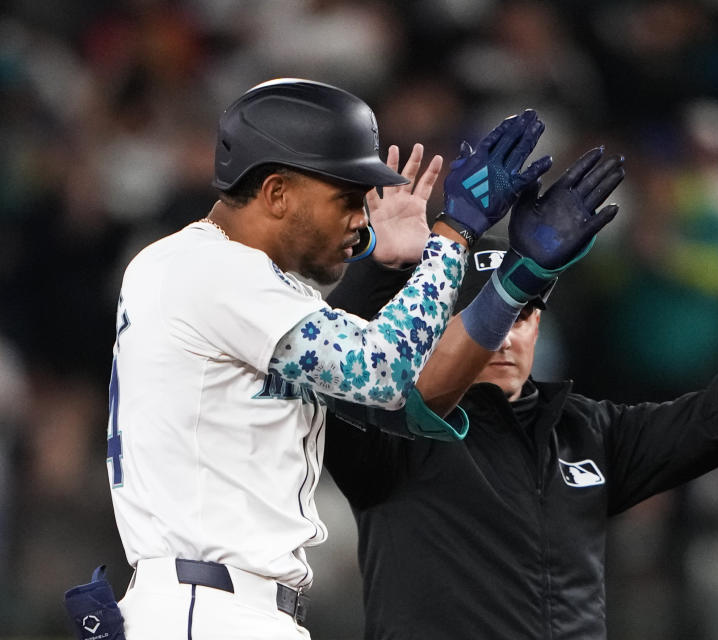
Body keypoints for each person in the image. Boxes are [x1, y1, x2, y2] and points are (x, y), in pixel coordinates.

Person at [91, 77, 625, 639]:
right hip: (207, 607)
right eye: (346, 198)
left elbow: (417, 401)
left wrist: (516, 282)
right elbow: (385, 372)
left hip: (219, 607)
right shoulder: (209, 270)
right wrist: (455, 232)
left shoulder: (234, 284)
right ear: (277, 193)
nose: (359, 216)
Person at [323, 185, 718, 639]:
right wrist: (378, 269)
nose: (504, 336)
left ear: (541, 326)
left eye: (522, 315)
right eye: (480, 317)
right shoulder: (391, 431)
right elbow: (327, 374)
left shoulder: (586, 431)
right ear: (439, 329)